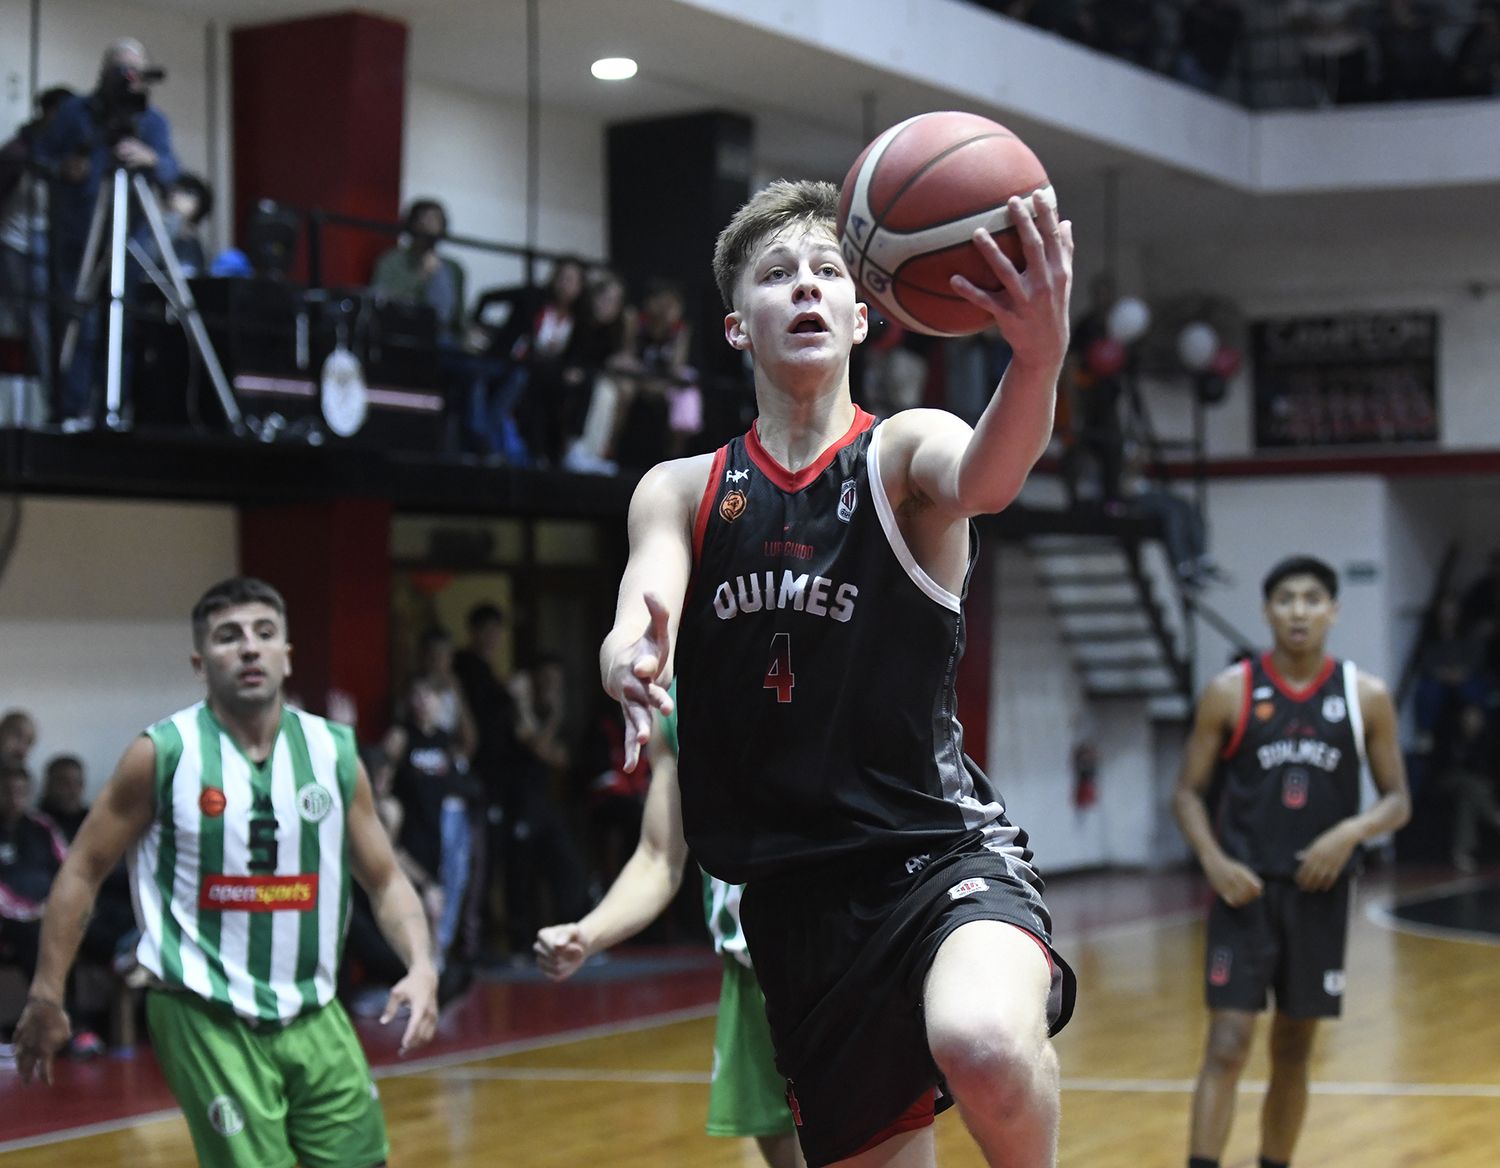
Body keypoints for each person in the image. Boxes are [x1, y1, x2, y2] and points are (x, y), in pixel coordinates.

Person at [600, 179, 1076, 1167]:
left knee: (982, 1039)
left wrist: (1036, 359)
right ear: (738, 325)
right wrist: (631, 657)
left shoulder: (905, 451)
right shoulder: (682, 488)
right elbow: (642, 604)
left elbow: (989, 473)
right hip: (795, 899)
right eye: (778, 276)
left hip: (939, 854)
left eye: (827, 273)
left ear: (866, 315)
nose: (806, 288)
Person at [13, 576, 439, 1168]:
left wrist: (421, 965)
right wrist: (45, 994)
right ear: (199, 662)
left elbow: (386, 879)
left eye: (265, 634)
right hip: (206, 1015)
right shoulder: (163, 753)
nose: (248, 648)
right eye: (228, 636)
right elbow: (81, 869)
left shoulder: (333, 752)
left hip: (315, 1010)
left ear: (287, 656)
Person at [1172, 554, 1411, 1168]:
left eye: (1311, 599)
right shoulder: (1232, 692)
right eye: (1285, 599)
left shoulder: (1365, 696)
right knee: (1227, 1042)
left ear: (1332, 611)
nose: (1298, 611)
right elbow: (1187, 794)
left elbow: (1398, 802)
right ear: (1266, 611)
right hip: (1243, 891)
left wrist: (1350, 833)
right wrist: (1213, 859)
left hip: (1319, 894)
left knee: (1294, 1047)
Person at [537, 693, 803, 1168]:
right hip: (749, 969)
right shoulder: (680, 700)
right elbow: (659, 858)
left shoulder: (837, 655)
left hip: (839, 964)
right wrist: (588, 932)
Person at [33, 38, 180, 423]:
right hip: (77, 236)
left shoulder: (152, 122)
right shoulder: (75, 113)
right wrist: (64, 169)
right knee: (76, 325)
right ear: (104, 72)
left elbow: (171, 173)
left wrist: (149, 158)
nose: (129, 79)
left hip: (129, 239)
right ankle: (70, 410)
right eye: (121, 70)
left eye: (135, 70)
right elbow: (39, 157)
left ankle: (112, 411)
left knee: (123, 322)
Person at [0, 85, 76, 410]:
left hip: (54, 245)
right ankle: (56, 402)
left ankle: (63, 397)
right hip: (16, 243)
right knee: (36, 324)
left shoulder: (70, 149)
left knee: (60, 322)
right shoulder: (20, 150)